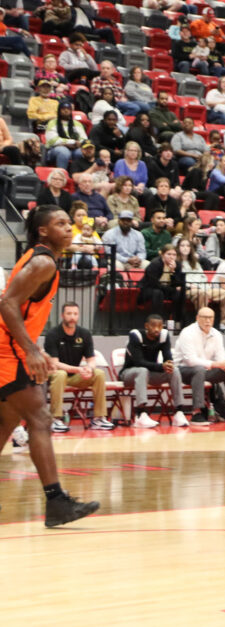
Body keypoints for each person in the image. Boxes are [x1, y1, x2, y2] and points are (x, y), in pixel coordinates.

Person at [0, 206, 100, 526]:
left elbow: (19, 308)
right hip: (7, 350)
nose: (69, 229)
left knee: (6, 423)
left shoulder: (42, 259)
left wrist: (33, 347)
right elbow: (6, 304)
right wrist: (29, 349)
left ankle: (56, 503)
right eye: (60, 224)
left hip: (11, 347)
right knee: (40, 418)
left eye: (69, 223)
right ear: (43, 231)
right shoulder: (43, 262)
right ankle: (56, 502)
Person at [174, 307, 225, 424]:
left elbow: (220, 356)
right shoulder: (187, 332)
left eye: (210, 318)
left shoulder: (216, 334)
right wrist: (216, 364)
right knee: (198, 370)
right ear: (197, 318)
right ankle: (197, 412)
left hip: (203, 370)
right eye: (204, 317)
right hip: (182, 370)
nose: (208, 321)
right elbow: (191, 361)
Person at [43, 302, 112, 431]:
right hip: (55, 375)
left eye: (75, 314)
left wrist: (89, 369)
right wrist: (77, 369)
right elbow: (55, 363)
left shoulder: (84, 334)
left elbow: (91, 359)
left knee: (99, 374)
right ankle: (55, 419)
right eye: (69, 314)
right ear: (63, 315)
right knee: (60, 374)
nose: (72, 317)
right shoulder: (53, 334)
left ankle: (98, 418)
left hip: (75, 376)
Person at [121, 315, 188, 428]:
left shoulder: (163, 336)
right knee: (142, 371)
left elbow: (168, 357)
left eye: (160, 326)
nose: (157, 329)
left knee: (174, 370)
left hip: (150, 374)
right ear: (146, 326)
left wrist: (169, 364)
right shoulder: (136, 336)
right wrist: (162, 366)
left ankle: (179, 412)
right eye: (153, 326)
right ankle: (141, 414)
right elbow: (139, 362)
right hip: (129, 374)